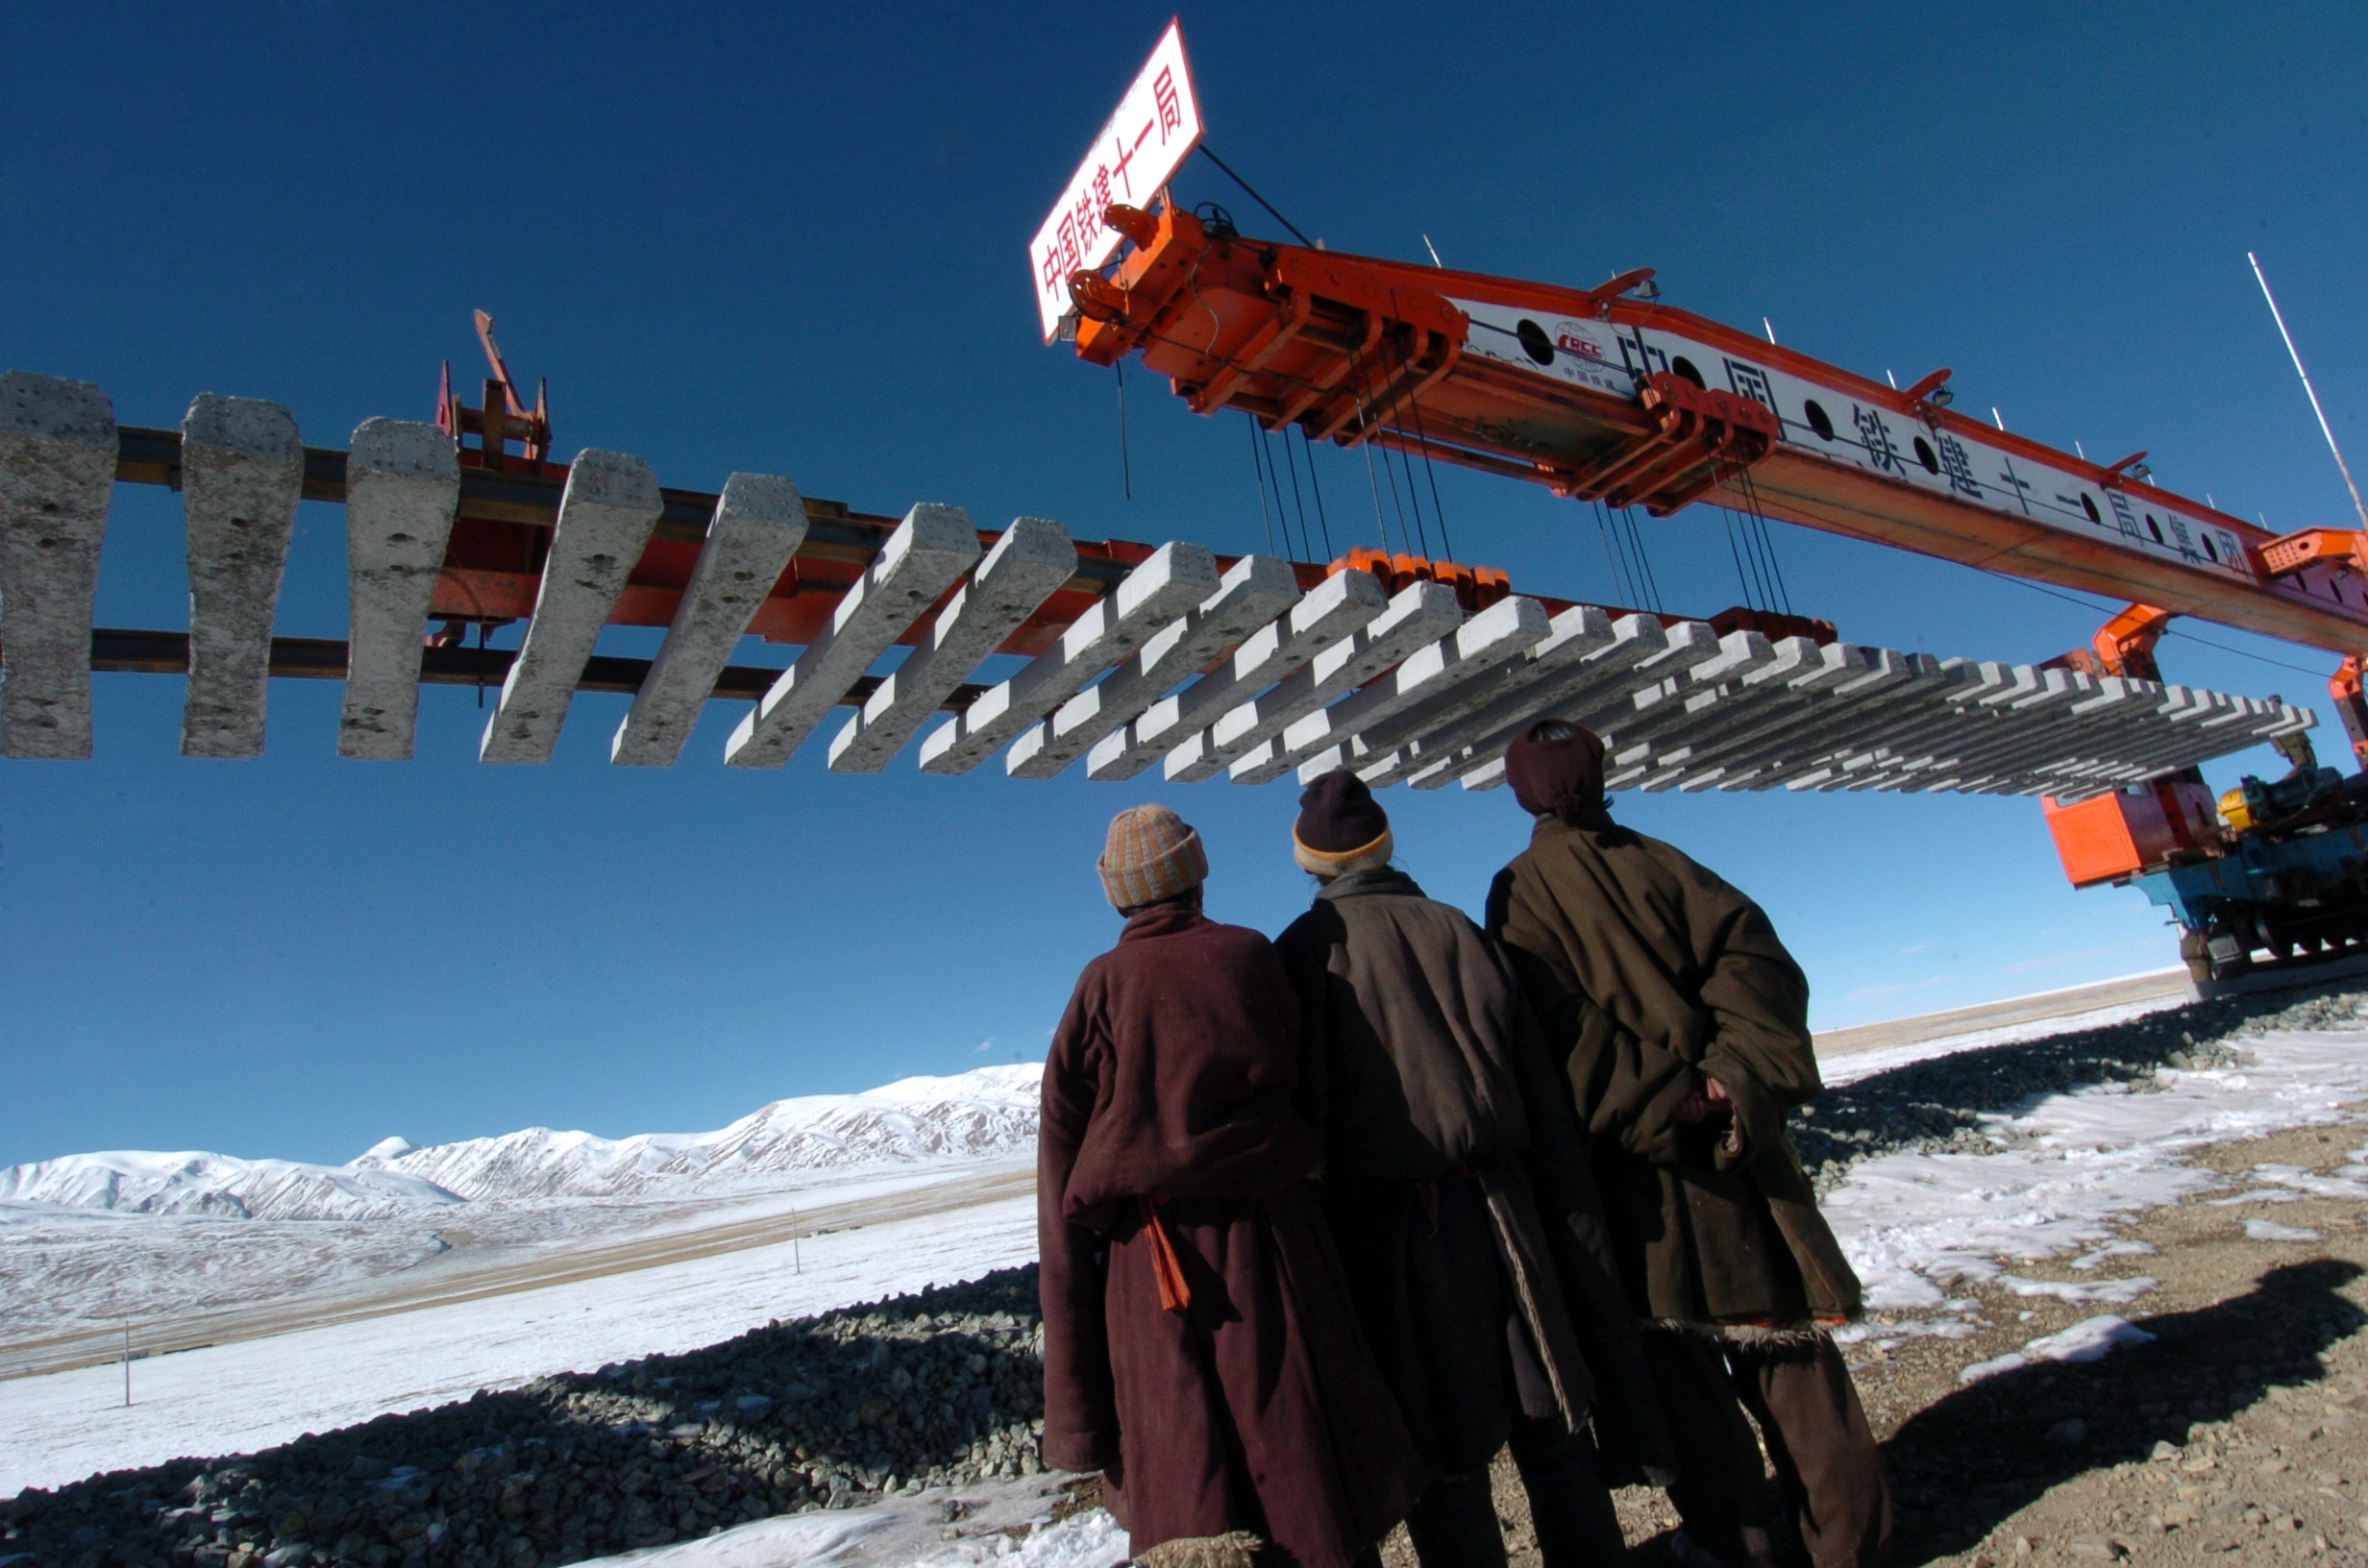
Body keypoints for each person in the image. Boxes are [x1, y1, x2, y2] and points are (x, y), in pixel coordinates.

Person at [1483, 721, 1891, 1568]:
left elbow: (1561, 1034)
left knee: (1687, 1384)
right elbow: (1759, 968)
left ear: (1520, 791)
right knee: (1797, 1368)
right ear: (1600, 776)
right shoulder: (1668, 864)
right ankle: (1853, 1548)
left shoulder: (1521, 891)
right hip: (1743, 1164)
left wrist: (1667, 1101)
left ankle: (1732, 1548)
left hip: (1642, 1188)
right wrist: (1730, 1079)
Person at [1273, 772, 1673, 1568]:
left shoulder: (1302, 955)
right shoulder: (1459, 927)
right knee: (1552, 1416)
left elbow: (1307, 1128)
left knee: (1444, 1449)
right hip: (1510, 1211)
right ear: (1384, 847)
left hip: (1393, 1239)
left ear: (1309, 862)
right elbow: (1540, 1094)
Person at [1038, 803, 1428, 1568]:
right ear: (1197, 877)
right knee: (1307, 1459)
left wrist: (1077, 1411)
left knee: (1190, 1482)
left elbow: (1060, 1175)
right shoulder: (1251, 958)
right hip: (1275, 1245)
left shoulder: (1099, 988)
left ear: (1119, 896)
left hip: (1149, 1283)